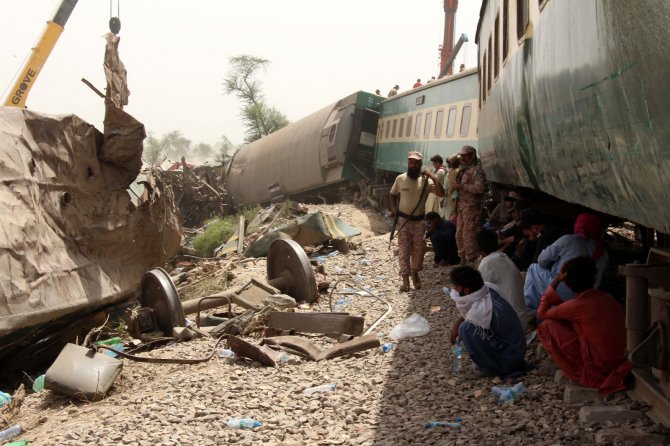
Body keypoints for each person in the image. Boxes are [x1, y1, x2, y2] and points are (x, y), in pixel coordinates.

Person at [537, 256, 631, 395]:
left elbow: (541, 313)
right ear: (594, 279)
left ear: (568, 284)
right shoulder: (609, 299)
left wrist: (556, 280)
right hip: (619, 361)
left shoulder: (576, 305)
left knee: (546, 326)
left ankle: (579, 373)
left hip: (600, 369)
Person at [448, 266, 528, 377]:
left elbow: (471, 320)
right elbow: (471, 314)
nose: (454, 290)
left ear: (466, 290)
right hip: (516, 351)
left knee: (466, 329)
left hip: (510, 359)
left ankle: (493, 367)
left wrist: (460, 325)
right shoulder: (487, 290)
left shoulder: (484, 307)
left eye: (456, 287)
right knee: (464, 326)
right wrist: (458, 321)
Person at [524, 213, 608, 311]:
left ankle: (531, 309)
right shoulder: (603, 252)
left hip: (564, 289)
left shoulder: (569, 239)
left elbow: (541, 260)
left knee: (533, 268)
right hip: (587, 295)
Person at [390, 151, 445, 292]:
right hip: (403, 220)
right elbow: (393, 194)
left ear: (420, 164)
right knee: (404, 249)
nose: (413, 165)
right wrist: (394, 208)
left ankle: (415, 273)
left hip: (420, 221)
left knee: (418, 249)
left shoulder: (426, 181)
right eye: (411, 162)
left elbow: (441, 193)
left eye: (416, 163)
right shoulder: (400, 178)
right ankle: (405, 278)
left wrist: (432, 176)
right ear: (408, 163)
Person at [477, 230, 532, 331]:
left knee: (466, 327)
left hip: (509, 326)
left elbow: (478, 296)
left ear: (480, 250)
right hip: (521, 321)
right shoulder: (504, 257)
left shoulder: (486, 264)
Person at [450, 145, 485, 264]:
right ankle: (463, 258)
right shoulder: (463, 170)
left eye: (465, 156)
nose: (462, 158)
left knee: (469, 235)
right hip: (461, 207)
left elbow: (479, 188)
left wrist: (461, 186)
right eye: (462, 156)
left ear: (472, 156)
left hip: (471, 208)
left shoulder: (476, 170)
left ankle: (471, 260)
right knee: (459, 234)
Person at [444, 154, 460, 222]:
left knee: (451, 212)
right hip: (457, 194)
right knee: (455, 214)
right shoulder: (458, 171)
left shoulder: (450, 171)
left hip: (451, 194)